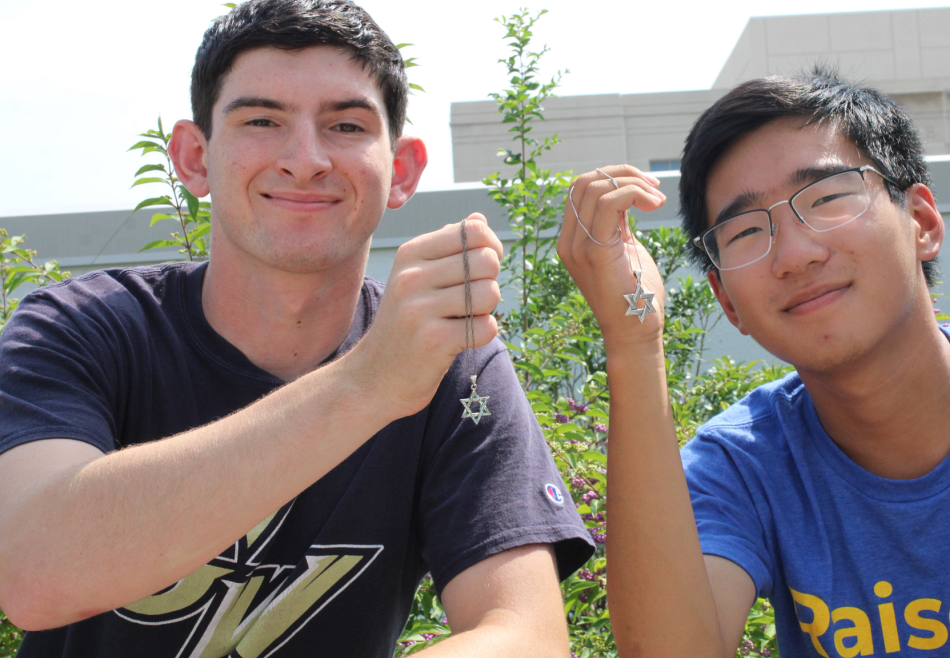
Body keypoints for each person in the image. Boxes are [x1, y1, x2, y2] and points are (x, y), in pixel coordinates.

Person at [0, 0, 592, 655]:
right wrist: (368, 383)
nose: (305, 159)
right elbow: (31, 573)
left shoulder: (453, 363)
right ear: (193, 159)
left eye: (345, 125)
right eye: (261, 119)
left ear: (401, 170)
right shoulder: (79, 327)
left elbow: (527, 634)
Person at [558, 70, 950, 657]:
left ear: (922, 223)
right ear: (728, 304)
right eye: (745, 232)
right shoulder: (739, 466)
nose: (794, 255)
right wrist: (633, 342)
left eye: (826, 198)